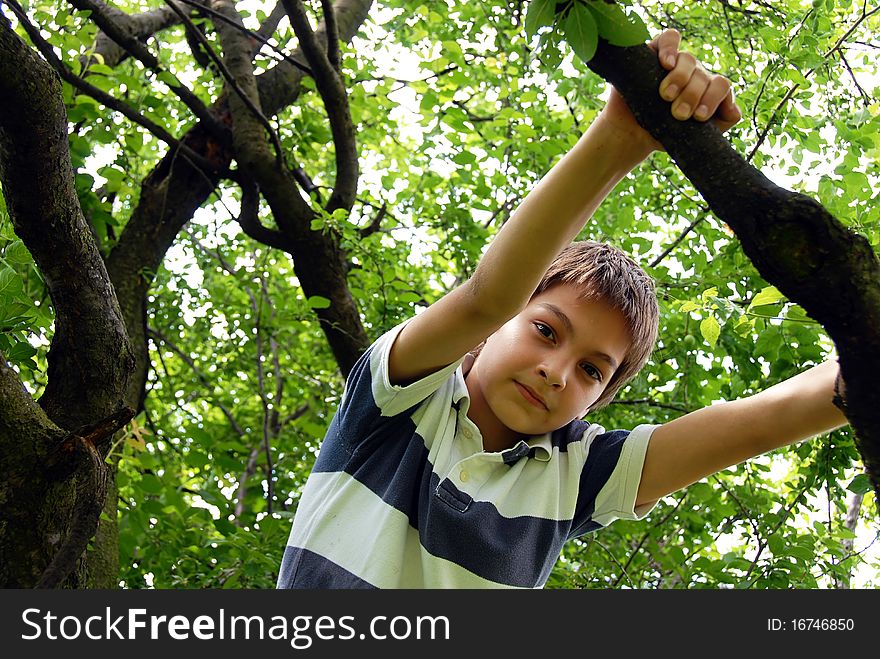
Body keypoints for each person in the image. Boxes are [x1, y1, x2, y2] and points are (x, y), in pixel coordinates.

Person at [276, 30, 848, 589]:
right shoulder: (403, 396)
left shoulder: (575, 474)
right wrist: (619, 136)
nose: (557, 371)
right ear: (502, 325)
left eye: (593, 371)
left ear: (600, 399)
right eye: (547, 330)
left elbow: (770, 419)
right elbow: (487, 299)